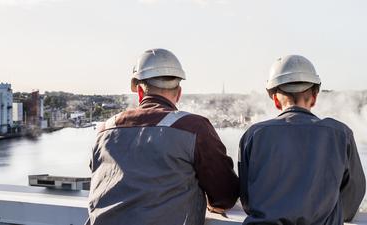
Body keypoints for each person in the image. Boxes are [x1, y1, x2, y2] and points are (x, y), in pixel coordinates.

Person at [86, 48, 240, 225]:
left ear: (140, 92)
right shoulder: (194, 128)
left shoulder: (104, 130)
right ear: (179, 93)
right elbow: (225, 195)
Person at [239, 55, 366, 225]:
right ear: (314, 97)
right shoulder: (341, 134)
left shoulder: (253, 135)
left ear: (276, 100)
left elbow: (248, 199)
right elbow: (351, 199)